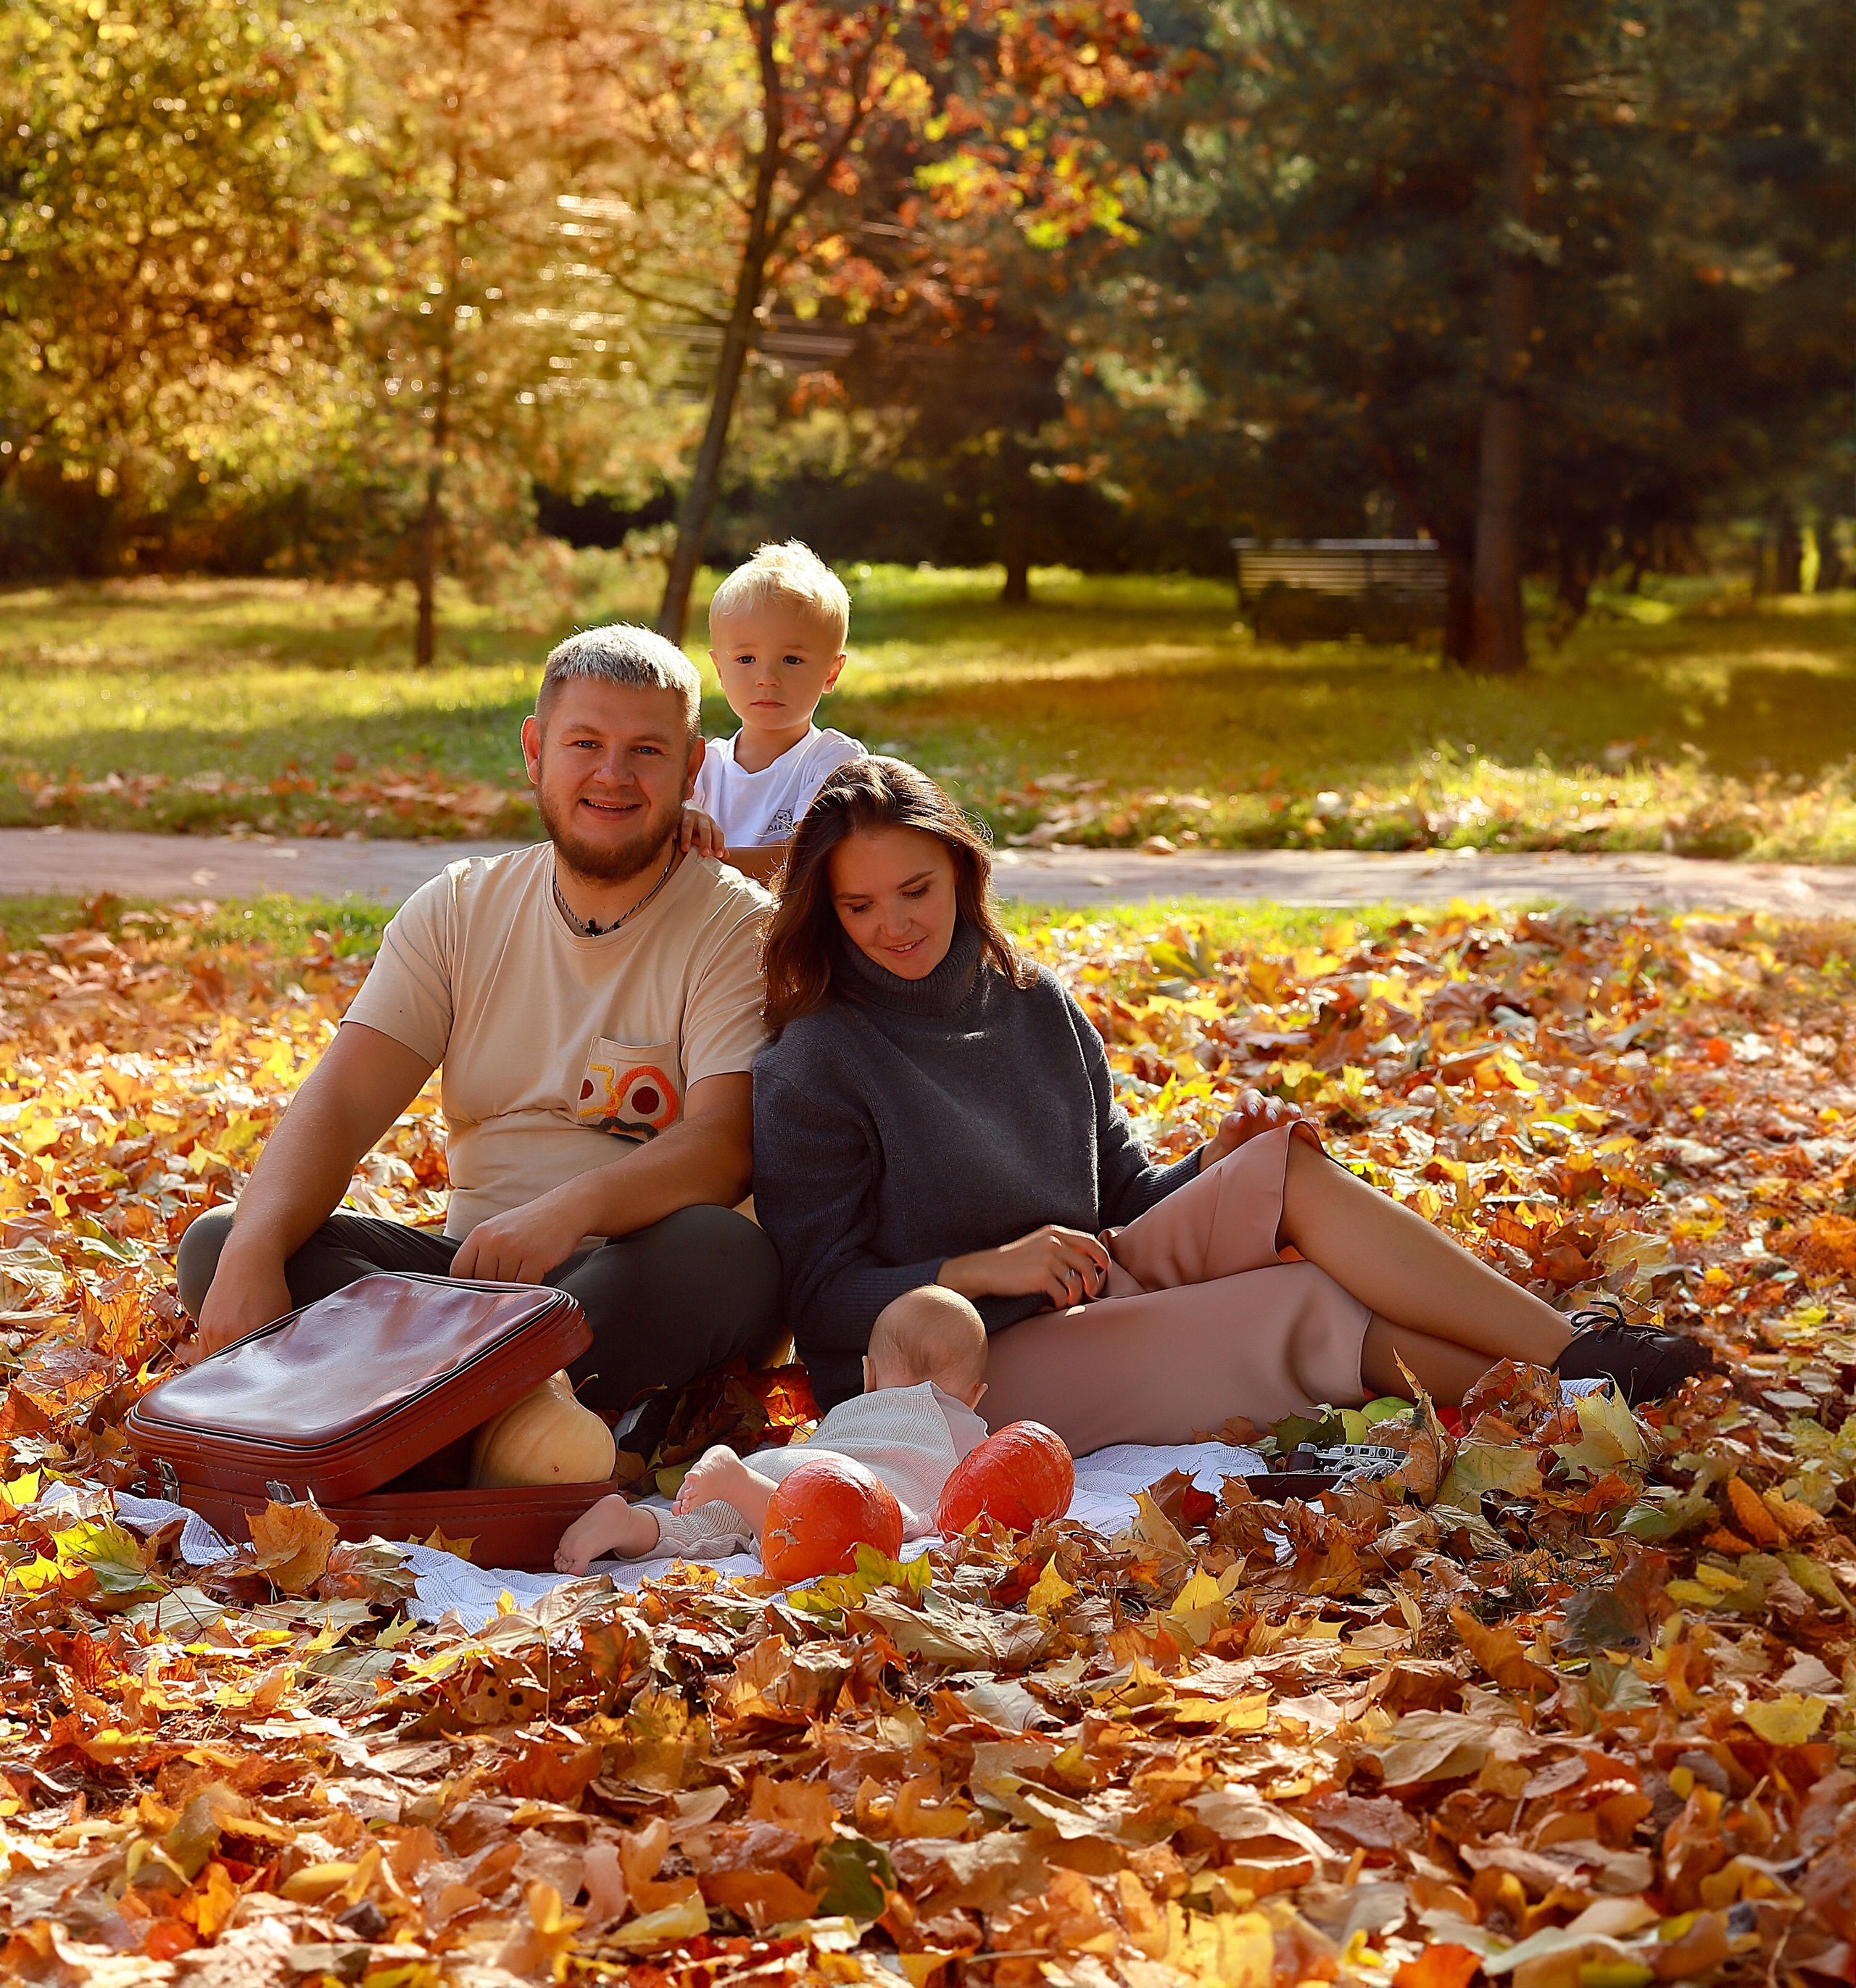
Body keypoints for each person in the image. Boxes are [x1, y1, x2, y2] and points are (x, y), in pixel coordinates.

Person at [747, 759, 1716, 1456]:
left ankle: (1578, 1352)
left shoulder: (1033, 1002)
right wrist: (983, 1269)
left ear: (962, 871)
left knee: (1281, 1164)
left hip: (1084, 1281)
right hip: (946, 1372)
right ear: (824, 912)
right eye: (859, 906)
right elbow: (821, 1298)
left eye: (914, 889)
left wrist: (1213, 1165)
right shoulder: (817, 1060)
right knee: (1302, 1301)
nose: (895, 924)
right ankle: (1560, 1404)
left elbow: (1121, 1193)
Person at [175, 626, 787, 1455]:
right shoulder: (460, 907)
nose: (612, 774)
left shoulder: (734, 924)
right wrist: (253, 1247)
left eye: (646, 749)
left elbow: (723, 1144)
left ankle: (390, 1418)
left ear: (690, 766)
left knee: (723, 1252)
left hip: (622, 1275)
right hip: (465, 1280)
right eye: (584, 743)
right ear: (535, 750)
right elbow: (345, 1098)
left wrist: (568, 1212)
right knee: (224, 1241)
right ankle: (508, 1429)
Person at [554, 1283, 990, 1572]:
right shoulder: (963, 1425)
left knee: (703, 1528)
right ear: (974, 1396)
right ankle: (741, 1486)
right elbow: (988, 1487)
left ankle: (630, 1524)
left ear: (868, 1376)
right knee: (818, 1533)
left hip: (785, 1464)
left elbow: (818, 1451)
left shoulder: (851, 1411)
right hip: (840, 1489)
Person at [680, 540, 866, 886]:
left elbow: (806, 857)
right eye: (746, 659)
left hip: (789, 936)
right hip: (704, 934)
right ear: (720, 669)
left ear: (831, 672)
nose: (767, 679)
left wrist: (697, 859)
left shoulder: (834, 760)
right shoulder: (703, 764)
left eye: (792, 660)